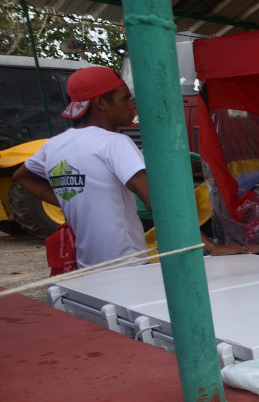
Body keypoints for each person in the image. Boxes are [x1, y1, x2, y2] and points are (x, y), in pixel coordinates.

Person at [15, 66, 246, 267]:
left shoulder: (53, 146)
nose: (132, 105)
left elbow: (22, 176)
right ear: (101, 103)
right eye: (126, 98)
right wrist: (209, 245)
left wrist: (73, 200)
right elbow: (157, 203)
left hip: (86, 265)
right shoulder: (114, 143)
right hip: (127, 266)